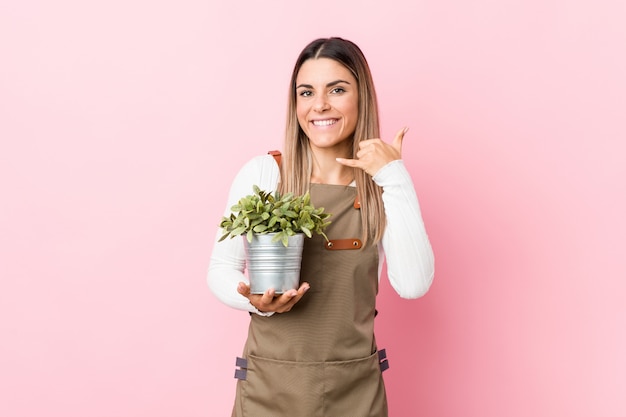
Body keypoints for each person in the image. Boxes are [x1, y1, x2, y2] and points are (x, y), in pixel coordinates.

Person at [207, 37, 434, 417]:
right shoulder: (264, 174)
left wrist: (394, 175)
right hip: (269, 389)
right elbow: (220, 270)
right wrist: (254, 300)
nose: (320, 105)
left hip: (355, 393)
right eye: (306, 92)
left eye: (338, 89)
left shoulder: (383, 187)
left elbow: (413, 285)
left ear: (362, 97)